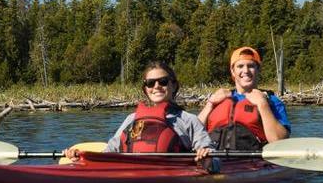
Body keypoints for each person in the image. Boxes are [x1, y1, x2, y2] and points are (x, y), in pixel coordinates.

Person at [63, 60, 215, 162]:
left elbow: (211, 154)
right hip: (133, 173)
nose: (156, 86)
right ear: (145, 89)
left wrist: (205, 154)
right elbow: (109, 153)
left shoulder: (188, 120)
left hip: (172, 174)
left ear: (174, 86)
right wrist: (81, 157)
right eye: (150, 83)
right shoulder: (132, 119)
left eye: (163, 81)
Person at [198, 46, 291, 150]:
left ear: (258, 69)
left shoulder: (272, 101)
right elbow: (192, 135)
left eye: (251, 66)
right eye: (240, 66)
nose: (246, 70)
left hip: (255, 164)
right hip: (217, 161)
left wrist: (263, 104)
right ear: (232, 71)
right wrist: (210, 103)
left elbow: (280, 142)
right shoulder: (220, 98)